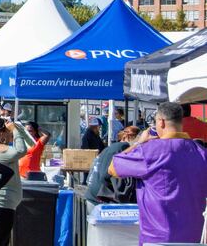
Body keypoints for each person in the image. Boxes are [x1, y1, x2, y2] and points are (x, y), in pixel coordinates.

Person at [109, 102, 207, 245]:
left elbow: (113, 167)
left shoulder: (149, 150)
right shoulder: (202, 153)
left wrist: (138, 143)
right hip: (194, 237)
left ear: (161, 122)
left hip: (157, 238)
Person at [0, 118, 34, 246]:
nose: (10, 135)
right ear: (0, 134)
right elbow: (21, 150)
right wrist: (15, 130)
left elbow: (31, 144)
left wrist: (17, 128)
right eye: (8, 132)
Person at [84, 126, 140, 207]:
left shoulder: (111, 147)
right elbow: (108, 174)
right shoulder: (122, 147)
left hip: (92, 193)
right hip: (99, 198)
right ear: (130, 137)